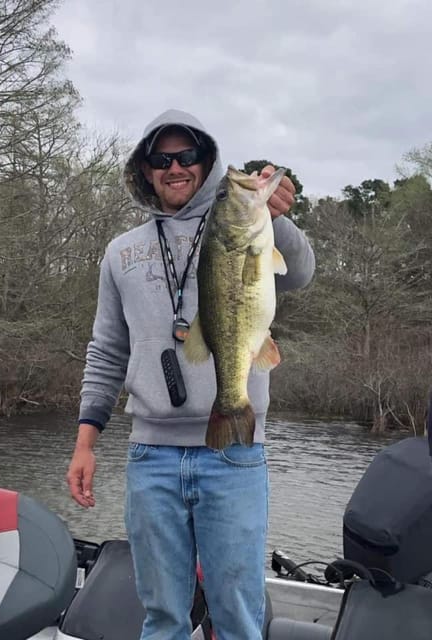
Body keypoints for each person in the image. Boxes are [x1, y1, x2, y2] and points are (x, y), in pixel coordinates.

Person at [67, 109, 315, 640]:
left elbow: (300, 275)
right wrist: (86, 443)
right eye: (161, 159)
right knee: (161, 617)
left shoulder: (240, 224)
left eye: (188, 156)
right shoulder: (120, 252)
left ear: (208, 161)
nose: (175, 167)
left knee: (237, 617)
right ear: (146, 169)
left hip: (235, 453)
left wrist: (278, 216)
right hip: (149, 458)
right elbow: (107, 350)